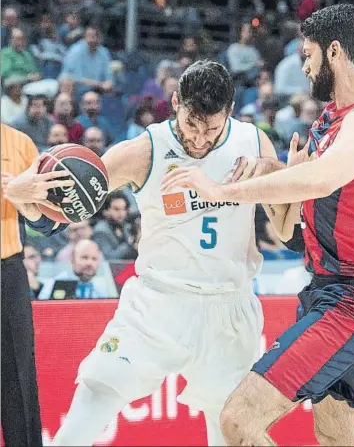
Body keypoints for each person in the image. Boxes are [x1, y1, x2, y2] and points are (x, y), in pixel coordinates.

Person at [3, 60, 298, 447]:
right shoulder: (145, 150)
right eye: (192, 124)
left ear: (229, 112)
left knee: (230, 429)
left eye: (212, 128)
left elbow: (286, 228)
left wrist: (271, 170)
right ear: (175, 102)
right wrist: (26, 198)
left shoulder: (252, 142)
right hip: (160, 302)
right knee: (95, 395)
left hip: (231, 305)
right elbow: (64, 212)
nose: (200, 140)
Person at [161, 5, 354, 446]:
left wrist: (222, 191)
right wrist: (269, 170)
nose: (304, 66)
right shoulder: (331, 122)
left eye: (308, 54)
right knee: (339, 437)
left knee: (239, 422)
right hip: (330, 288)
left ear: (335, 52)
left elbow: (322, 177)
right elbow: (288, 229)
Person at [1, 123, 73, 447]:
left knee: (19, 385)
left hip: (7, 273)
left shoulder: (19, 143)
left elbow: (51, 222)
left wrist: (27, 207)